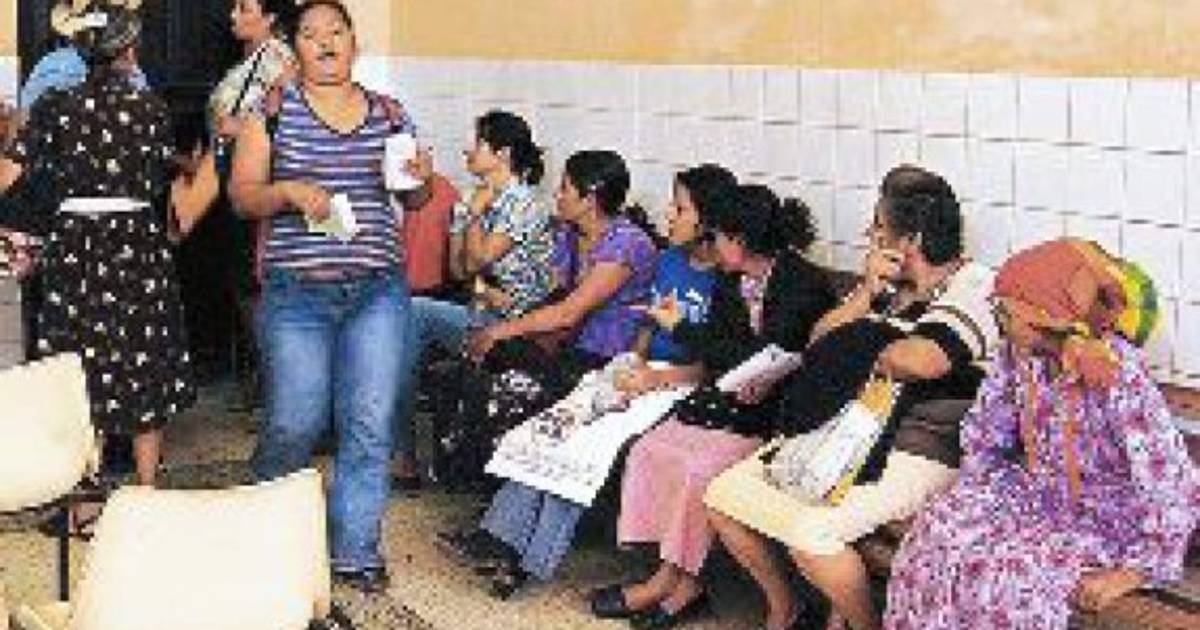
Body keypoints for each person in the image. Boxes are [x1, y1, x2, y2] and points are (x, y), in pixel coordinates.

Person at [703, 165, 998, 630]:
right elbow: (818, 342)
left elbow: (923, 361)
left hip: (922, 447)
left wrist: (861, 344)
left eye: (878, 227)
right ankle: (785, 609)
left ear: (911, 240)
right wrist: (865, 297)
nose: (869, 235)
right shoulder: (886, 288)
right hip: (848, 430)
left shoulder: (976, 285)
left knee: (812, 537)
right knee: (723, 498)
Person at [438, 164, 736, 600]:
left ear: (708, 219)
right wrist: (631, 361)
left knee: (586, 446)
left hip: (679, 385)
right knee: (556, 424)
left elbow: (717, 363)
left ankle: (529, 561)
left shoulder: (724, 283)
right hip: (635, 371)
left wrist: (655, 377)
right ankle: (500, 534)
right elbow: (647, 324)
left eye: (680, 208)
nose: (669, 216)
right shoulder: (670, 261)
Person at [884, 239, 1199, 630]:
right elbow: (986, 431)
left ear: (1044, 319)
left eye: (1005, 312)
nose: (998, 319)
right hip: (1039, 495)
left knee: (1009, 577)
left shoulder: (1116, 376)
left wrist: (1134, 572)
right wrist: (975, 494)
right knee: (937, 532)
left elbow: (1171, 482)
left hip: (1104, 518)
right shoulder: (1017, 355)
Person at [227, 0, 433, 593]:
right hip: (297, 295)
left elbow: (414, 200)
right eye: (311, 35)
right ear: (295, 49)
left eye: (336, 32)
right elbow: (242, 196)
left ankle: (355, 551)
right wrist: (287, 191)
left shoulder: (390, 114)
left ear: (353, 43)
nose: (325, 43)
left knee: (368, 423)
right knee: (296, 420)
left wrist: (419, 180)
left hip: (377, 291)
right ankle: (265, 528)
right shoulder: (272, 112)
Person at [590, 184, 836, 629]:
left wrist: (684, 329)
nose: (713, 246)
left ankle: (673, 585)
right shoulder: (730, 279)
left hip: (778, 413)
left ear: (739, 240)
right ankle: (674, 578)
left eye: (718, 237)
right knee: (650, 449)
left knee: (698, 471)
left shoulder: (803, 284)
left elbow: (777, 353)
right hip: (727, 398)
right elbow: (724, 350)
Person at [0, 4, 211, 490]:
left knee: (78, 365)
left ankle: (85, 492)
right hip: (136, 245)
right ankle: (147, 489)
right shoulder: (150, 108)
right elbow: (159, 175)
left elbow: (10, 175)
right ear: (129, 50)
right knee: (144, 359)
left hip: (76, 246)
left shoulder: (54, 105)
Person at [394, 109, 555, 488]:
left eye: (479, 143)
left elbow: (479, 259)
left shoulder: (523, 202)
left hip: (516, 323)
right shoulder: (472, 199)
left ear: (503, 153)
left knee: (414, 313)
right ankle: (403, 453)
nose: (468, 150)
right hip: (482, 311)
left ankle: (404, 454)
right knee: (404, 323)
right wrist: (469, 217)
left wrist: (475, 216)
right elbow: (459, 269)